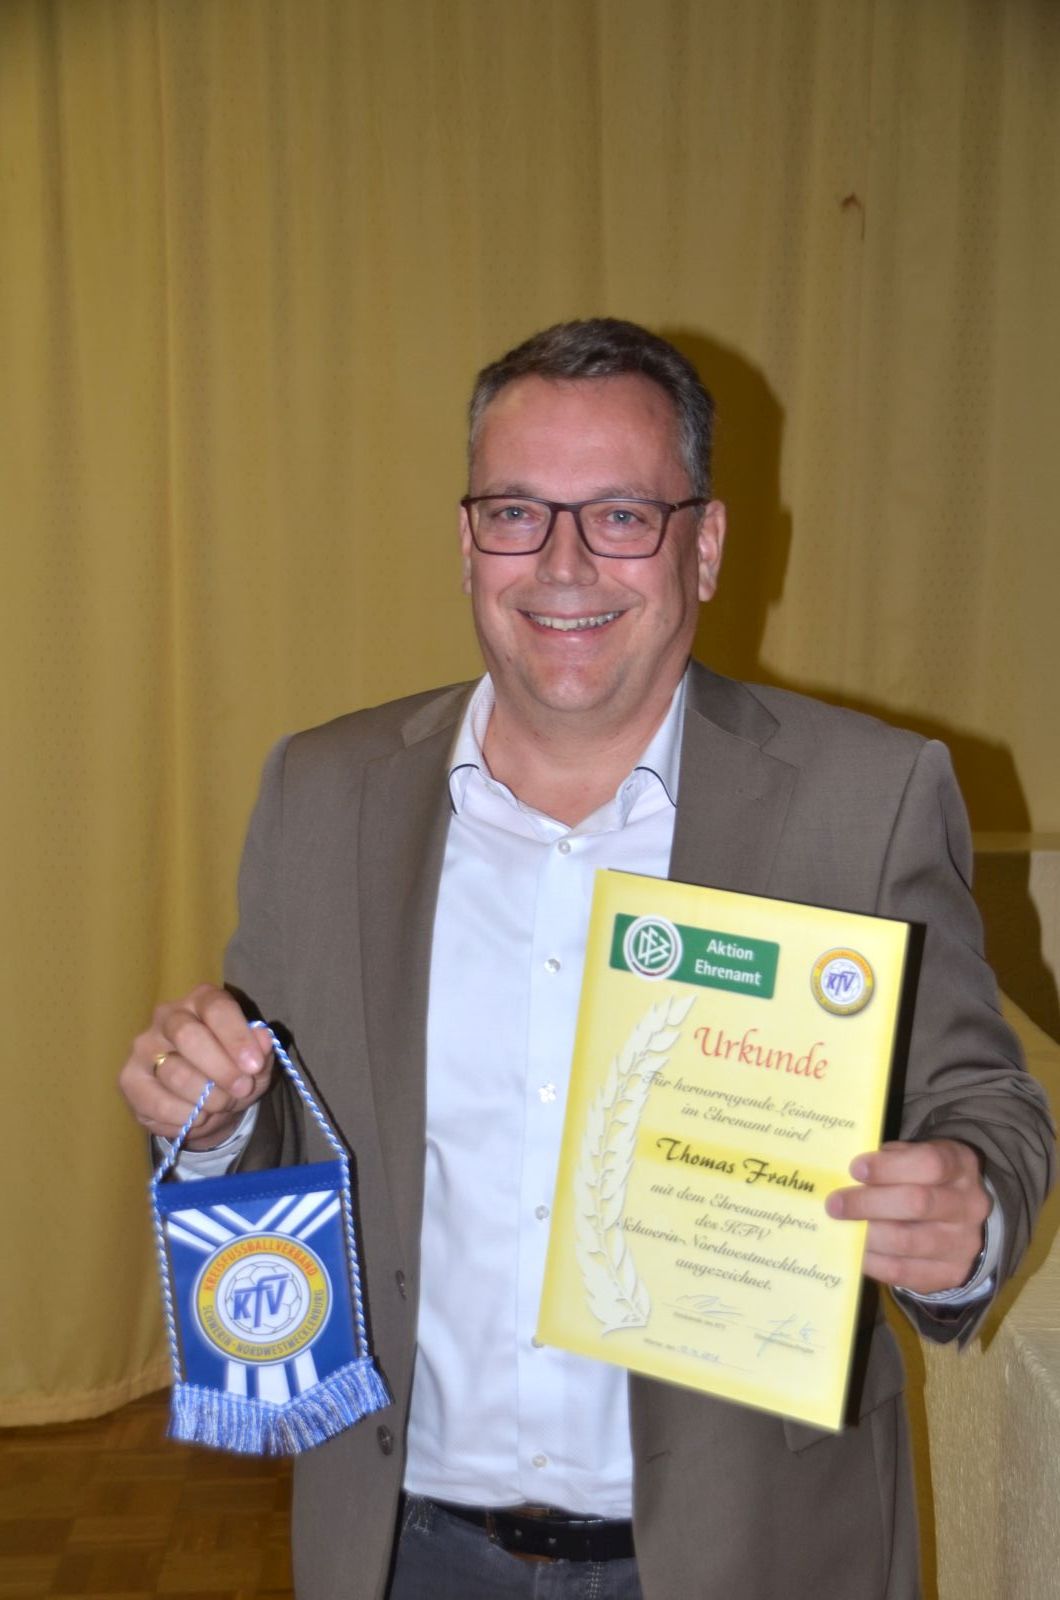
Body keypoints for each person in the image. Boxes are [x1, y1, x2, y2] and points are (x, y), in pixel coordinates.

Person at [120, 319, 1053, 1600]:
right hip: (406, 1546)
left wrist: (970, 1206)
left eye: (619, 515)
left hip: (755, 1549)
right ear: (466, 542)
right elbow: (287, 1138)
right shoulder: (323, 795)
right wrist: (215, 1121)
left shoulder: (861, 798)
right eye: (516, 512)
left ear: (703, 545)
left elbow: (984, 1098)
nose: (562, 565)